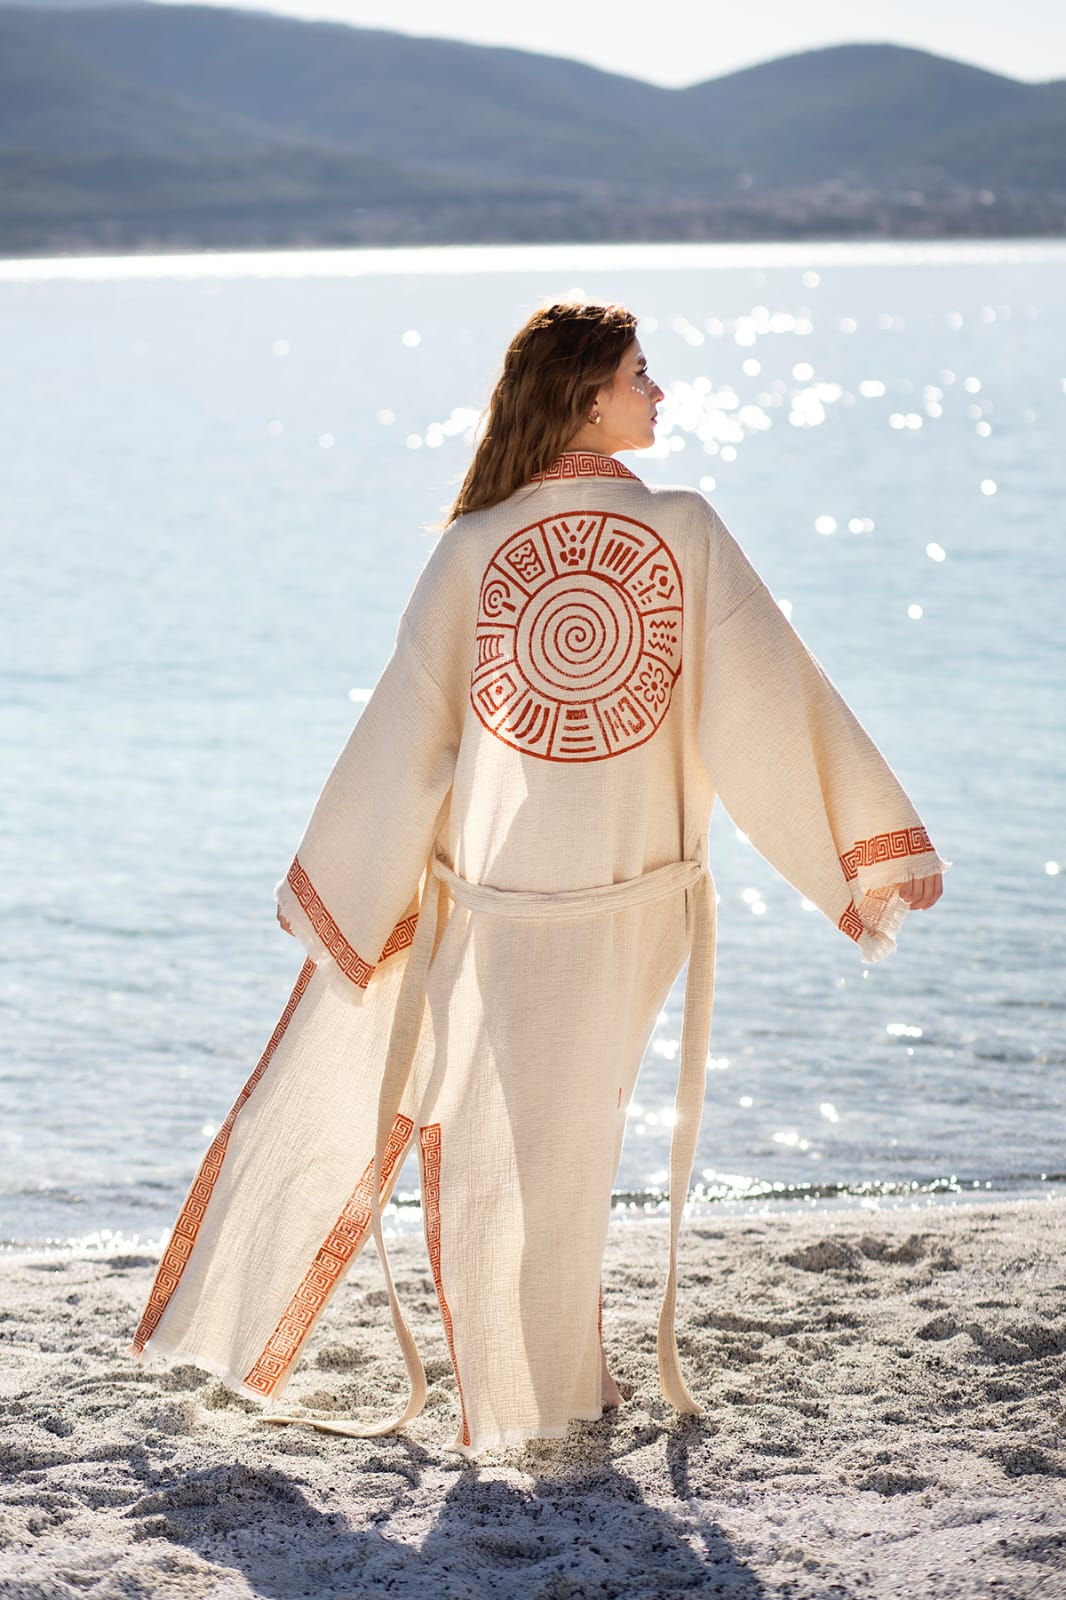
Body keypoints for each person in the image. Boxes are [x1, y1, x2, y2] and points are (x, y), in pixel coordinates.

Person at [131, 301, 946, 1454]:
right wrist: (865, 854)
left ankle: (550, 1377)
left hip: (509, 902)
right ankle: (543, 1393)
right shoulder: (678, 532)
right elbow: (766, 707)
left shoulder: (483, 543)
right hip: (620, 905)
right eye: (638, 373)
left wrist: (346, 889)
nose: (657, 393)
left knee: (536, 1142)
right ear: (582, 396)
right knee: (560, 1143)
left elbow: (406, 740)